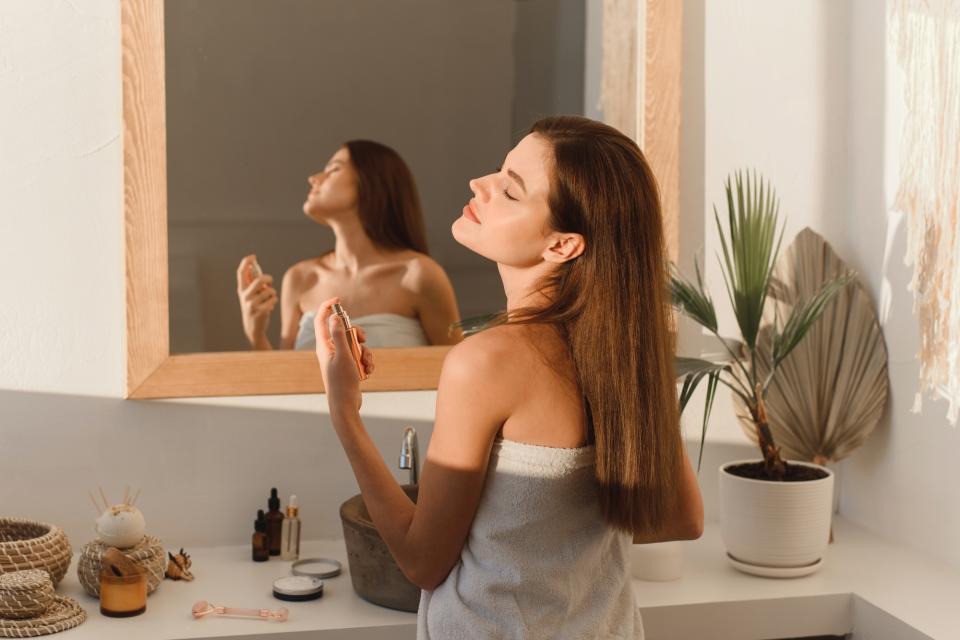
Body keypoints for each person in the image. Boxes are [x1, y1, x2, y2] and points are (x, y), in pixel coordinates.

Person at [314, 116, 704, 639]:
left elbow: (421, 562)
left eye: (510, 190)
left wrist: (345, 414)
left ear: (563, 245)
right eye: (499, 170)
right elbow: (682, 518)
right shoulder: (624, 357)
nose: (481, 184)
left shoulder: (487, 361)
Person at [236, 140, 461, 350]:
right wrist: (255, 334)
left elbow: (454, 369)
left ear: (371, 181)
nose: (314, 178)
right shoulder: (300, 278)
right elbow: (286, 380)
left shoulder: (419, 275)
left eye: (334, 169)